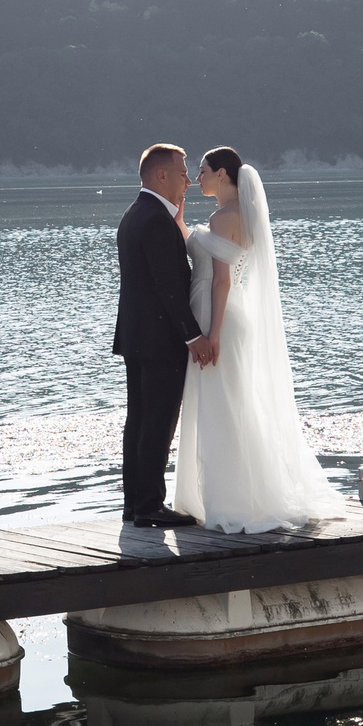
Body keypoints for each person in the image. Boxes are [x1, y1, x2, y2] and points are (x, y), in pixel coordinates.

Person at [171, 147, 346, 532]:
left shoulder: (222, 218)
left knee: (221, 406)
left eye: (202, 171)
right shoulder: (239, 215)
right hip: (228, 314)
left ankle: (228, 500)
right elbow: (214, 263)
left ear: (221, 174)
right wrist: (182, 225)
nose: (197, 178)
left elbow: (220, 280)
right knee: (230, 403)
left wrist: (212, 334)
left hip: (217, 315)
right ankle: (233, 492)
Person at [111, 142, 212, 526]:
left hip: (136, 337)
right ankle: (150, 506)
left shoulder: (136, 212)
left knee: (138, 420)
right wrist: (193, 336)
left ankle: (135, 505)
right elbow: (168, 286)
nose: (189, 180)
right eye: (183, 173)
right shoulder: (154, 219)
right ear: (161, 175)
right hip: (159, 340)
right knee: (157, 421)